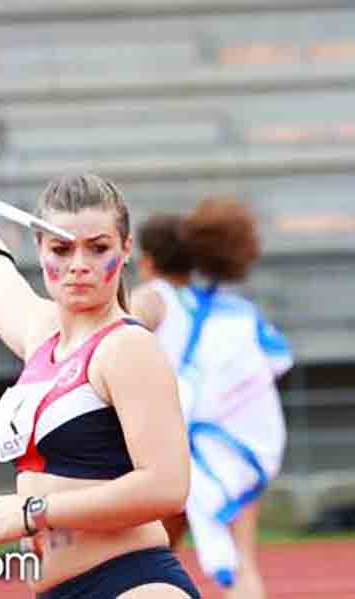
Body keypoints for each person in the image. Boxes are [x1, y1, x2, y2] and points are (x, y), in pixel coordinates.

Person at [0, 166, 200, 598]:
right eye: (61, 249)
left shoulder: (126, 347)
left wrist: (34, 512)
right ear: (40, 249)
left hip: (134, 584)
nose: (78, 266)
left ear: (126, 249)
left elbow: (167, 487)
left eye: (98, 248)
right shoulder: (42, 334)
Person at [131, 199, 293, 599]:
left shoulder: (153, 296)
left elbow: (123, 331)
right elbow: (278, 359)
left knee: (146, 563)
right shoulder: (234, 311)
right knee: (242, 566)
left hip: (178, 451)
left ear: (147, 261)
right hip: (233, 447)